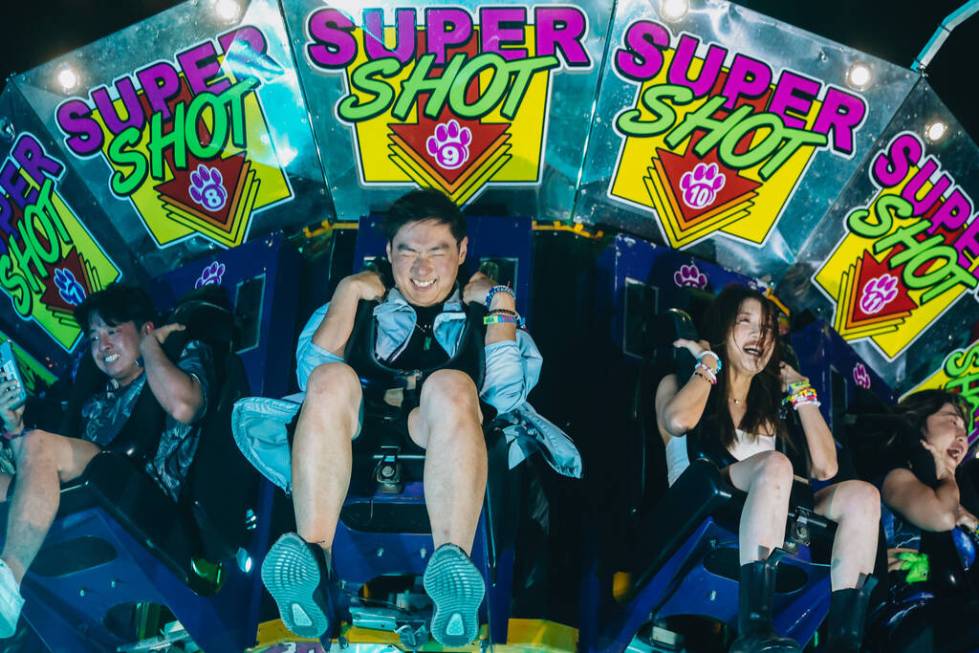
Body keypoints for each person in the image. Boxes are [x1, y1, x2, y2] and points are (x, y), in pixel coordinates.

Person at [253, 189, 579, 647]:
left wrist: (499, 301)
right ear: (389, 253)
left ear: (461, 253)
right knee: (329, 378)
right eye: (408, 252)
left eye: (437, 252)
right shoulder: (365, 300)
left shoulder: (480, 308)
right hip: (362, 425)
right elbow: (311, 374)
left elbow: (506, 390)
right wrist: (347, 293)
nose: (422, 268)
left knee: (450, 384)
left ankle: (452, 572)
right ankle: (311, 561)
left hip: (440, 427)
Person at [655, 285, 880, 653]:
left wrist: (801, 392)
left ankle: (844, 641)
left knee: (863, 496)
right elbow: (679, 420)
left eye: (768, 329)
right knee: (777, 465)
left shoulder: (770, 408)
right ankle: (754, 627)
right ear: (722, 328)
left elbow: (825, 467)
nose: (759, 335)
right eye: (746, 322)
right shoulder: (680, 379)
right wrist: (708, 361)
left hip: (765, 507)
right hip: (698, 502)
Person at [0, 284, 213, 637]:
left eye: (113, 330)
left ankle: (7, 585)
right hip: (92, 489)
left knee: (39, 443)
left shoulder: (181, 355)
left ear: (145, 327)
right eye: (95, 337)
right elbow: (37, 465)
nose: (103, 345)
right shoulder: (93, 401)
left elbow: (183, 406)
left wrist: (150, 348)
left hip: (147, 497)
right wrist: (13, 427)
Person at [865, 390, 979, 652]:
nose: (962, 434)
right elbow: (939, 517)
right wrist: (947, 475)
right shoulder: (896, 476)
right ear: (919, 423)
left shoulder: (962, 501)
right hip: (905, 616)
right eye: (951, 420)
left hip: (956, 616)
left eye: (964, 428)